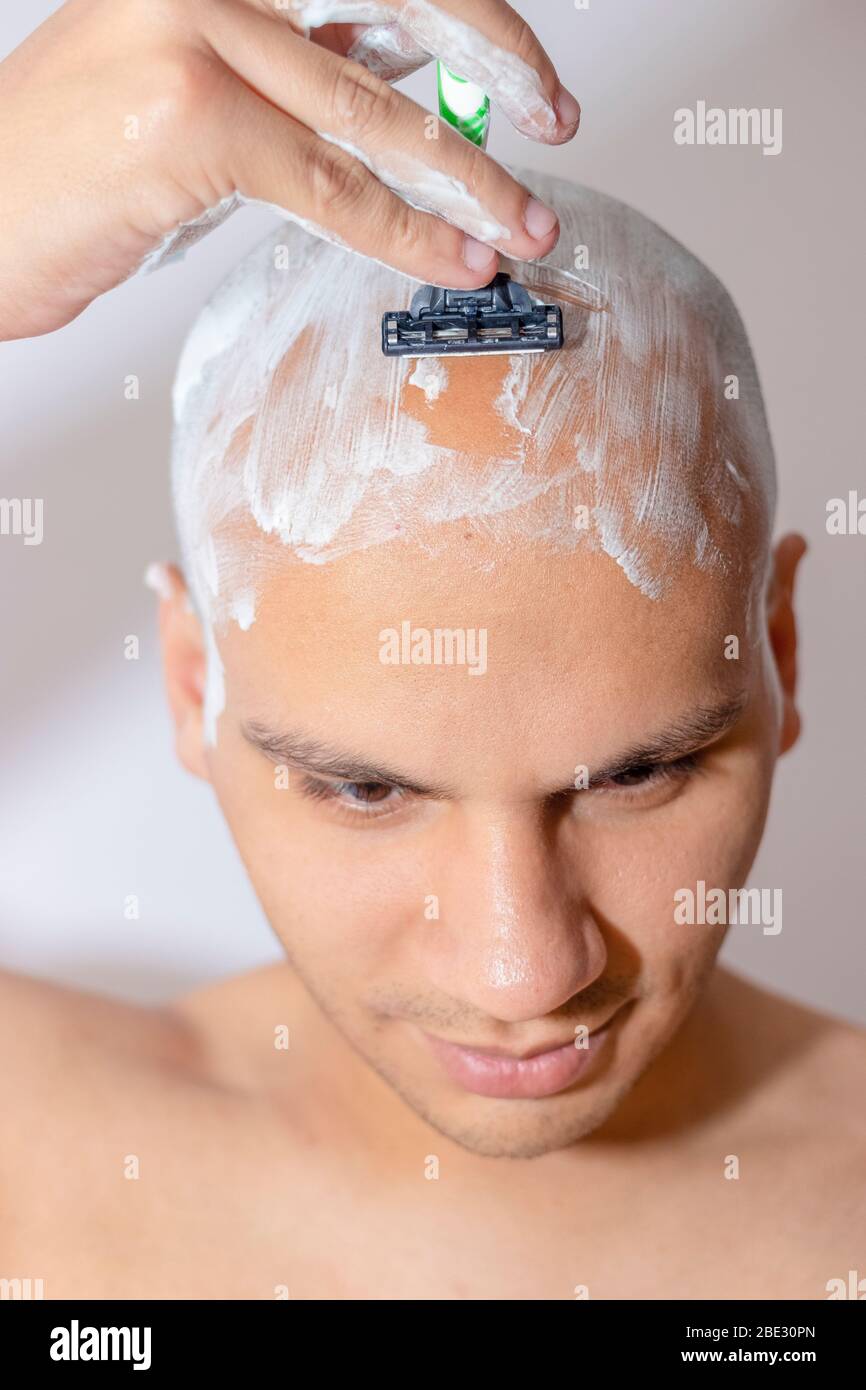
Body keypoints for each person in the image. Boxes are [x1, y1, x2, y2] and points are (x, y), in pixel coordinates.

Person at [1, 5, 863, 1303]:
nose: (524, 972)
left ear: (779, 650)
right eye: (366, 788)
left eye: (636, 773)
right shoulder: (41, 1158)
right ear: (193, 683)